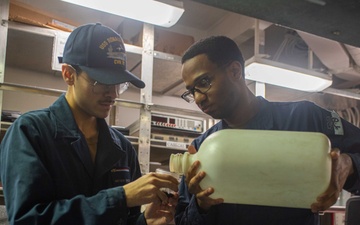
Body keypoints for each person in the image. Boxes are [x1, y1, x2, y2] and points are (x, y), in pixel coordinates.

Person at [0, 23, 179, 225]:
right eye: (101, 82)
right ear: (68, 74)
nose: (113, 94)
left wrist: (144, 221)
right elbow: (27, 220)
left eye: (118, 83)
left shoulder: (122, 148)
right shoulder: (31, 132)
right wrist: (120, 198)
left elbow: (124, 219)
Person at [174, 35, 360, 225]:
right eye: (191, 91)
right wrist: (201, 205)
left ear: (235, 71)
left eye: (204, 82)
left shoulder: (304, 119)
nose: (198, 98)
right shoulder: (200, 148)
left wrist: (349, 164)